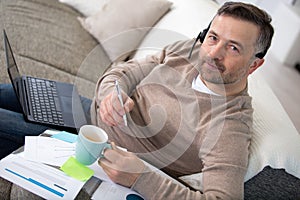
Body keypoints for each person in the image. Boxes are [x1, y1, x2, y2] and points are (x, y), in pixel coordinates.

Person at [0, 1, 274, 199]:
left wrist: (142, 177)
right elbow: (125, 70)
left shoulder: (229, 125)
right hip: (89, 112)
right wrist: (111, 94)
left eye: (233, 47)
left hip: (95, 153)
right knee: (13, 90)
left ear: (254, 65)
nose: (214, 53)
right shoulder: (190, 49)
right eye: (213, 37)